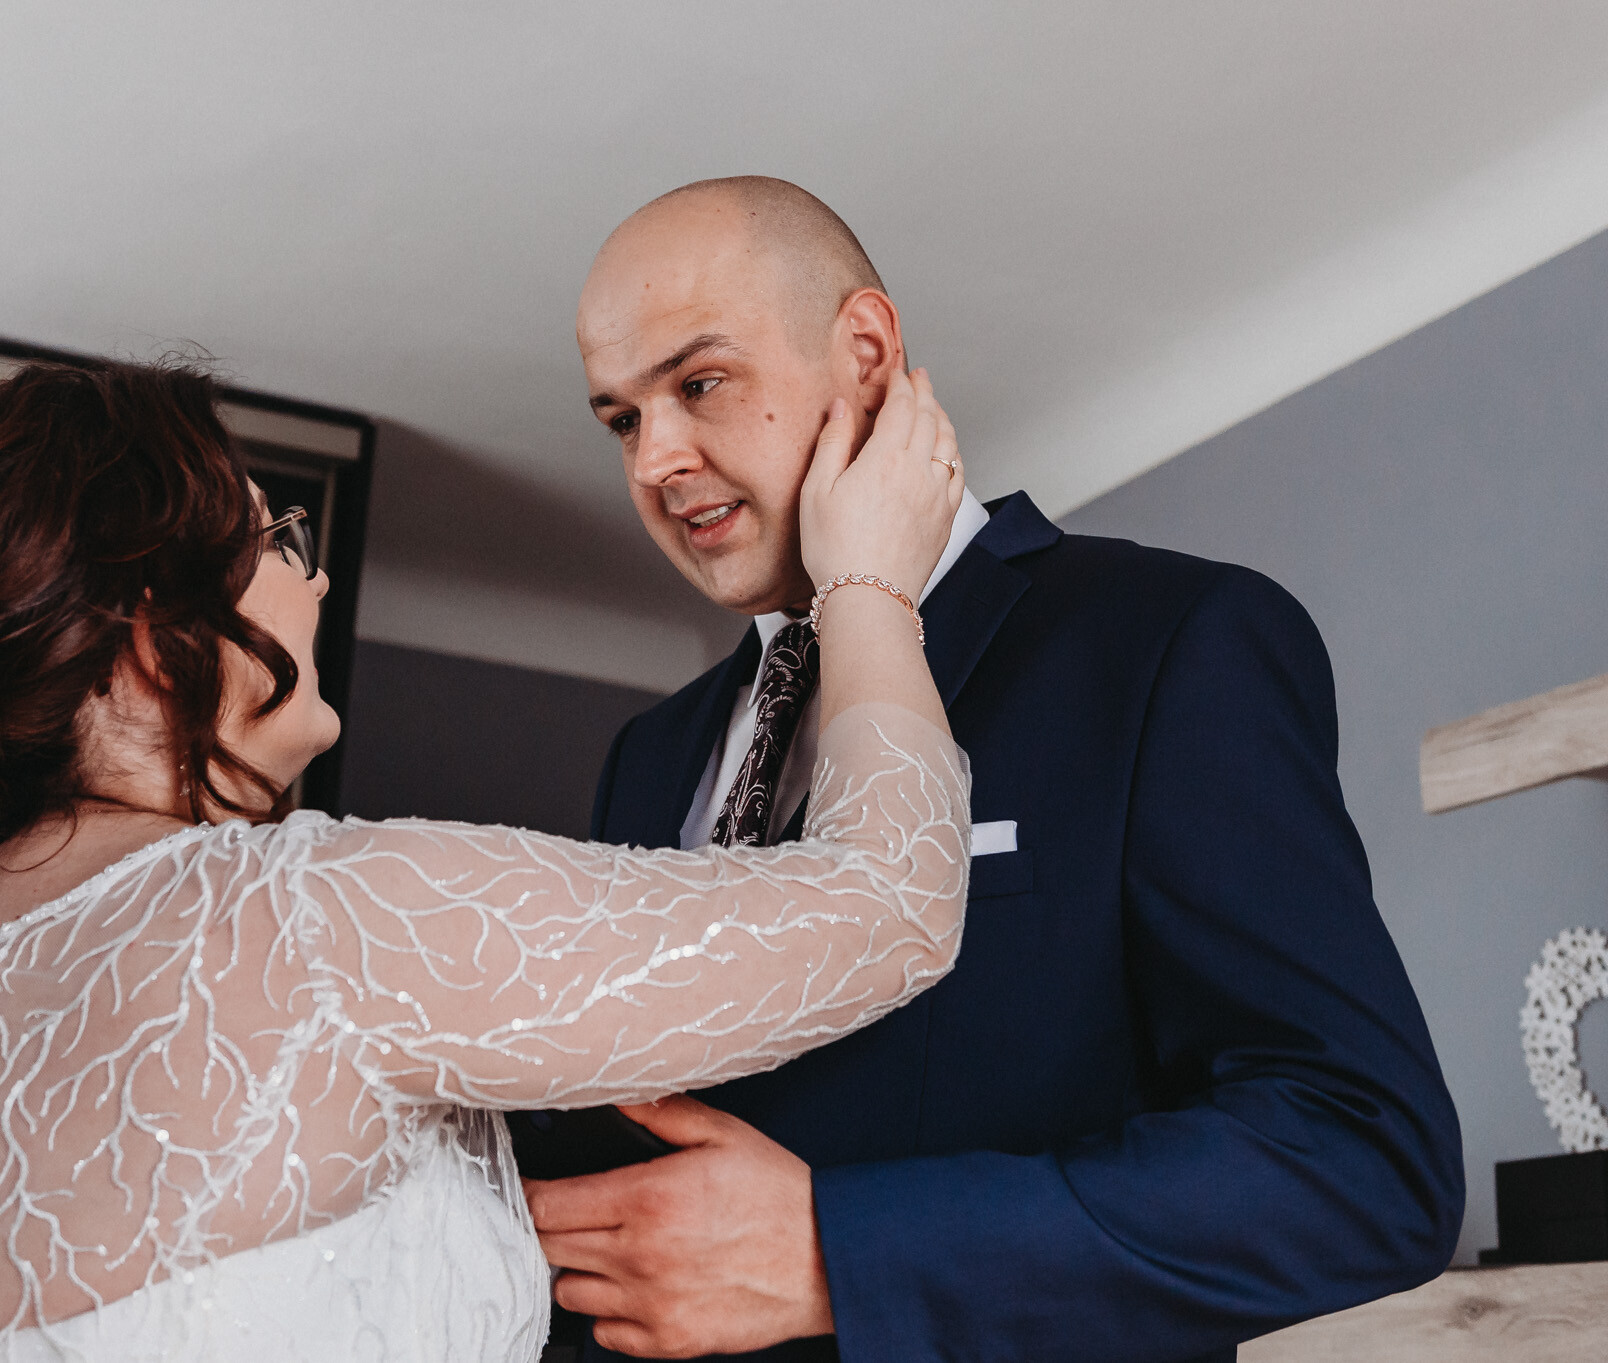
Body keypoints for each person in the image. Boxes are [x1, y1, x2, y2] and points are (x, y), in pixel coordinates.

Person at [0, 359, 972, 1363]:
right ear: (152, 628)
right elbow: (889, 904)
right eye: (273, 541)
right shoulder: (307, 918)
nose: (314, 573)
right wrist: (869, 581)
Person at [525, 175, 1466, 1362]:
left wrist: (836, 1249)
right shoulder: (649, 755)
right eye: (621, 420)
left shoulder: (1167, 643)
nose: (656, 458)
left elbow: (1363, 1158)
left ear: (864, 352)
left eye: (698, 383)